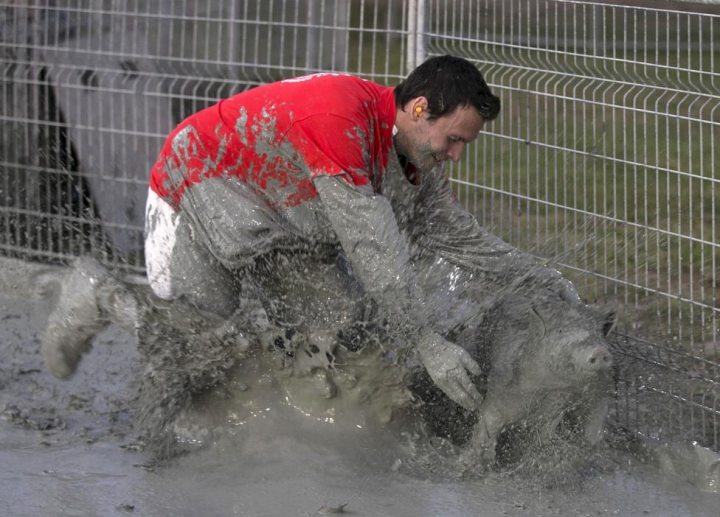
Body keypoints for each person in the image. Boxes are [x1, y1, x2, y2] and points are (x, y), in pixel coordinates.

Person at [42, 55, 579, 413]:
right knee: (193, 346)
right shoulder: (340, 116)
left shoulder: (419, 163)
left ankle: (296, 426)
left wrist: (546, 281)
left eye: (464, 145)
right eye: (454, 139)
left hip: (280, 221)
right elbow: (373, 245)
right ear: (419, 109)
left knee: (338, 326)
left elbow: (464, 241)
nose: (456, 155)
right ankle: (99, 295)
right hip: (198, 189)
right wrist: (425, 343)